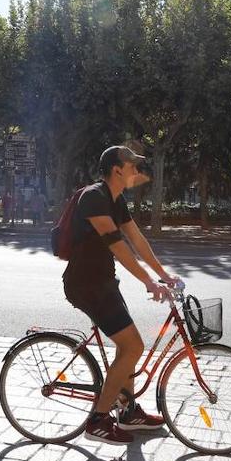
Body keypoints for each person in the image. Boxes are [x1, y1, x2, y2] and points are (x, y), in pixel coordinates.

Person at [64, 145, 177, 445]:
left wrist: (163, 275)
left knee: (128, 348)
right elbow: (118, 245)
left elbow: (137, 240)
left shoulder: (116, 200)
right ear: (117, 169)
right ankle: (98, 421)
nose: (137, 171)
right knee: (133, 347)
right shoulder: (94, 198)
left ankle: (127, 413)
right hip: (85, 285)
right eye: (132, 166)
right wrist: (148, 282)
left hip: (104, 283)